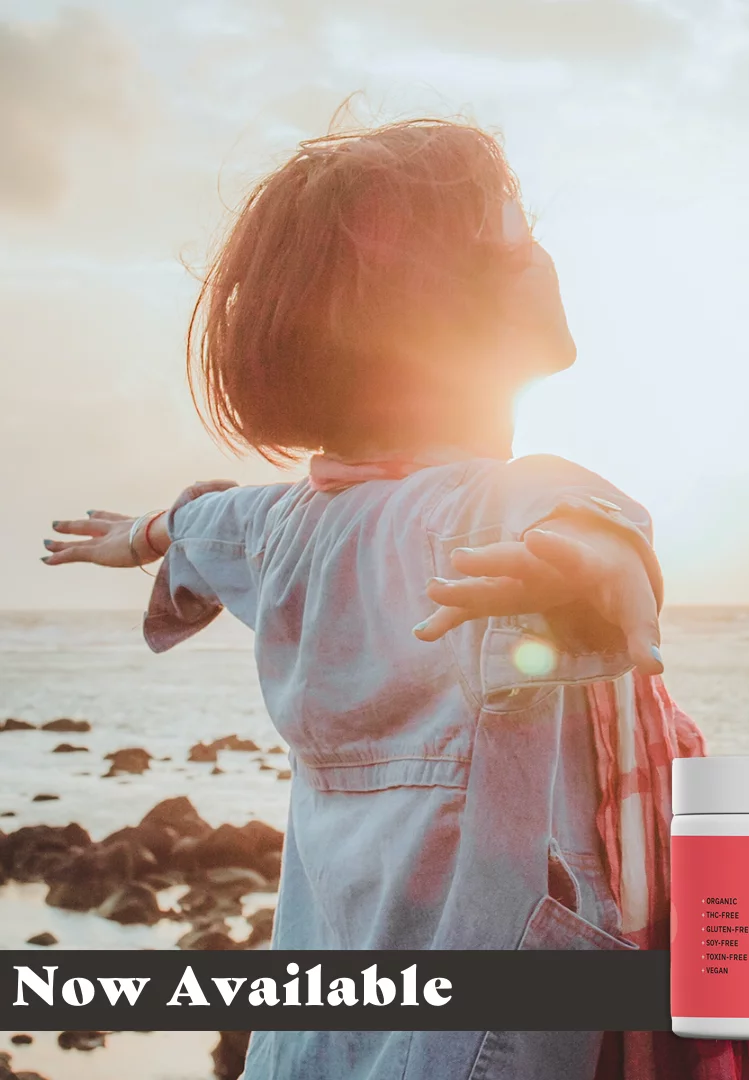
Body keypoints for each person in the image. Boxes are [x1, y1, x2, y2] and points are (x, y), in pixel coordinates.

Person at [42, 118, 675, 1080]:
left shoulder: (284, 526)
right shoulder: (499, 504)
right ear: (433, 304)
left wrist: (136, 537)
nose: (540, 249)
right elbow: (585, 525)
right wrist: (581, 567)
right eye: (512, 226)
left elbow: (201, 523)